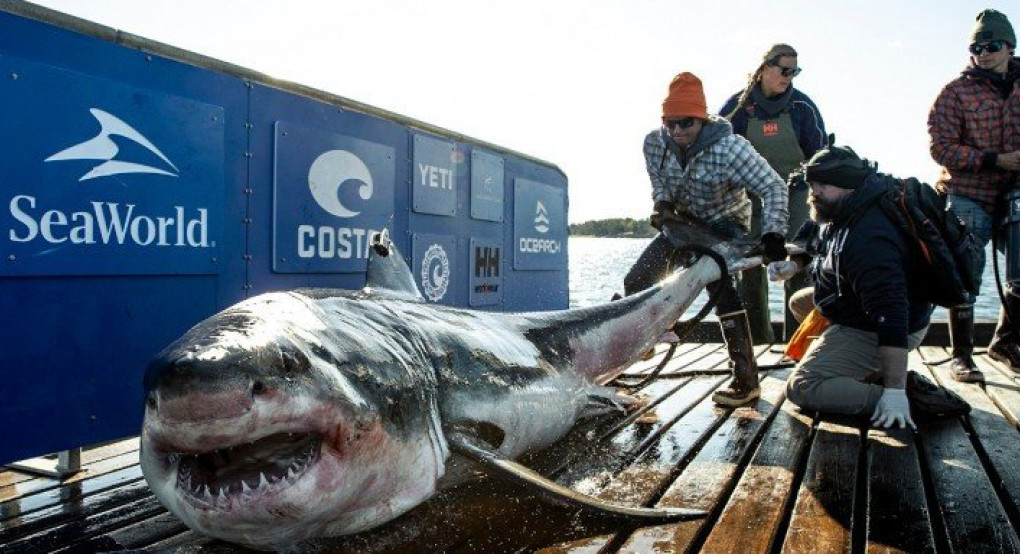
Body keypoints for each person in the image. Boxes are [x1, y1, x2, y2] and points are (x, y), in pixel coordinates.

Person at [623, 71, 789, 407]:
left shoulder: (731, 149)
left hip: (725, 223)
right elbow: (659, 182)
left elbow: (773, 187)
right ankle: (645, 339)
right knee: (636, 280)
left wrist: (773, 234)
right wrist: (662, 203)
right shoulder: (654, 143)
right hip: (682, 222)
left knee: (719, 287)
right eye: (670, 123)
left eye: (686, 123)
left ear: (701, 119)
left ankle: (745, 381)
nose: (678, 131)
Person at [782, 146, 968, 428]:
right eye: (812, 184)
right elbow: (814, 232)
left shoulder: (869, 239)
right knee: (800, 302)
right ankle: (863, 368)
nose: (814, 192)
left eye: (824, 184)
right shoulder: (843, 205)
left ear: (848, 185)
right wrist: (794, 263)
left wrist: (893, 393)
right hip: (855, 305)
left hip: (889, 324)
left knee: (803, 386)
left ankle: (902, 397)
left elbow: (891, 315)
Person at [928, 9, 1020, 381]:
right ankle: (962, 356)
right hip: (968, 193)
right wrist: (996, 159)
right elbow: (942, 149)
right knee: (966, 273)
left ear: (1010, 46)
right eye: (976, 47)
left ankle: (1005, 343)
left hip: (1015, 194)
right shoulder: (954, 93)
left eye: (992, 45)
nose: (983, 53)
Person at [720, 44, 827, 345]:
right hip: (749, 197)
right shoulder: (738, 107)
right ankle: (758, 343)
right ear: (765, 68)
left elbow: (819, 156)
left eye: (795, 71)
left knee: (797, 267)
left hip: (796, 194)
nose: (789, 77)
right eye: (784, 70)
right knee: (750, 270)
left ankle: (798, 345)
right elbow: (718, 151)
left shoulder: (803, 107)